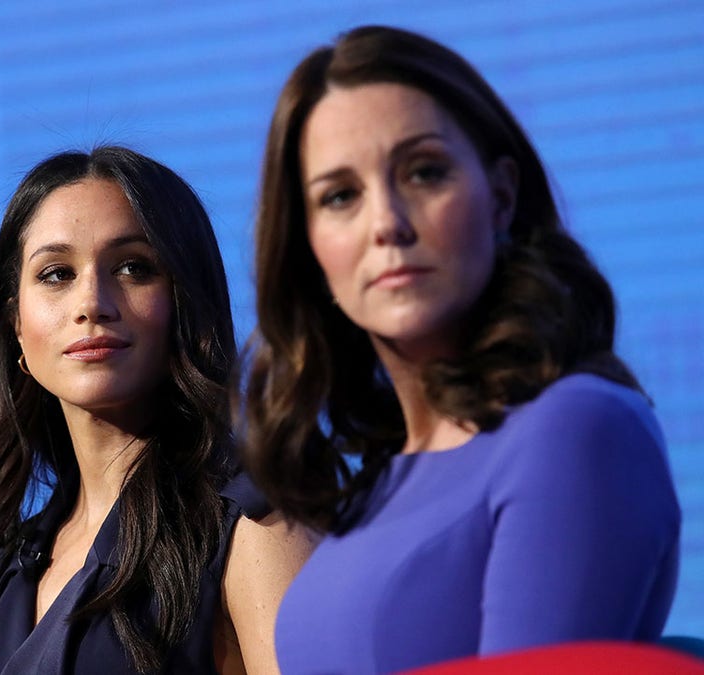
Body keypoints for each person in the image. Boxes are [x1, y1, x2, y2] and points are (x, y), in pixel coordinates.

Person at [240, 25, 681, 674]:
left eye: (423, 172)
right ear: (308, 246)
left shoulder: (577, 428)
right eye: (340, 196)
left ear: (500, 196)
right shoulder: (376, 479)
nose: (387, 222)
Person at [0, 146, 314, 674]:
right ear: (16, 329)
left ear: (185, 301)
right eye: (56, 274)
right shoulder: (10, 561)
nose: (91, 302)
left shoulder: (255, 520)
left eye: (133, 267)